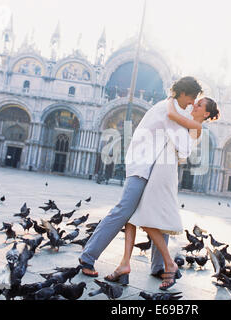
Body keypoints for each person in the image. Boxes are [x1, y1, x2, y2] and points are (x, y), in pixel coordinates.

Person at [78, 76, 203, 277]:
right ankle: (88, 257)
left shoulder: (173, 109)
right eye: (191, 97)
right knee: (123, 210)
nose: (191, 102)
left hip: (151, 167)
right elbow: (183, 147)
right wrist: (197, 125)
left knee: (159, 211)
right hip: (142, 166)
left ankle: (158, 267)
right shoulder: (167, 109)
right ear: (182, 92)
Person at [105, 96, 220, 290]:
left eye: (199, 105)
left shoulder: (195, 126)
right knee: (133, 216)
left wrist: (171, 98)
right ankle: (125, 264)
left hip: (164, 171)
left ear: (206, 113)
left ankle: (168, 263)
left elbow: (170, 113)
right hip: (158, 166)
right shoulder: (189, 122)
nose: (194, 105)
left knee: (143, 218)